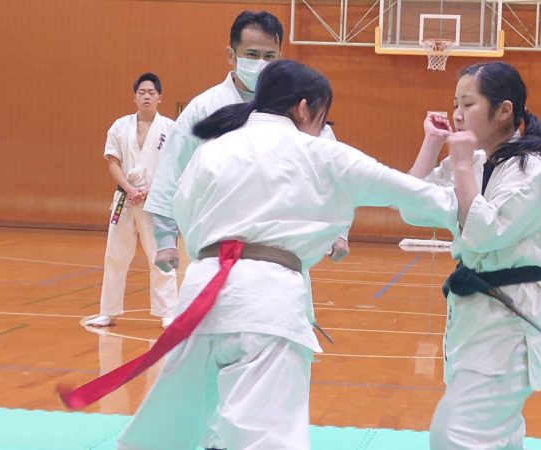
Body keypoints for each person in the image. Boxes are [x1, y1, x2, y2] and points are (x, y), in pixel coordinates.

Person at [116, 59, 458, 450]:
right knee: (264, 438)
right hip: (266, 304)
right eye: (322, 117)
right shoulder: (319, 153)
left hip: (200, 295)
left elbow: (186, 215)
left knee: (169, 432)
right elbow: (411, 194)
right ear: (304, 108)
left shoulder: (213, 149)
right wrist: (473, 197)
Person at [408, 61, 541, 449]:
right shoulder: (474, 162)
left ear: (504, 111)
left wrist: (462, 164)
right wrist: (433, 143)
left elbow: (483, 234)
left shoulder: (532, 170)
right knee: (496, 437)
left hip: (510, 319)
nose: (456, 113)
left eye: (468, 104)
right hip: (473, 318)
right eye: (455, 103)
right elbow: (412, 208)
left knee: (455, 436)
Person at [144, 10, 349, 276]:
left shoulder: (299, 110)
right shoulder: (204, 109)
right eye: (252, 54)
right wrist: (165, 239)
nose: (261, 63)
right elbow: (171, 172)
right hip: (215, 247)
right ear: (231, 55)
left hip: (282, 252)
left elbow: (334, 170)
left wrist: (338, 230)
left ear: (280, 58)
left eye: (269, 56)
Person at [85, 73, 178, 330]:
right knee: (115, 255)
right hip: (125, 199)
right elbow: (113, 163)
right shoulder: (119, 126)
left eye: (151, 92)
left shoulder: (170, 128)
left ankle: (168, 312)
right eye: (142, 92)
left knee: (161, 256)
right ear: (134, 97)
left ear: (160, 97)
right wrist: (129, 188)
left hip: (156, 200)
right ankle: (108, 311)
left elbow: (174, 166)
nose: (146, 96)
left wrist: (151, 189)